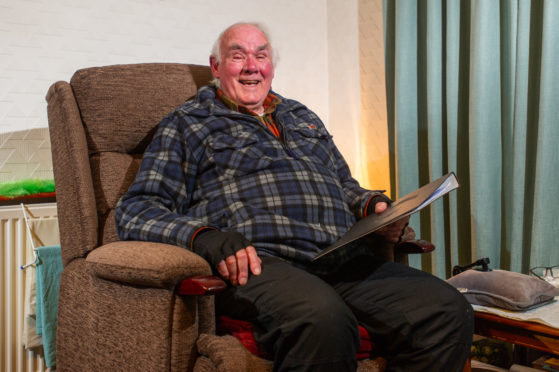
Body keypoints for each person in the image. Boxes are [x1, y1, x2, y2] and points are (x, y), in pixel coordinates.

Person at [115, 22, 473, 372]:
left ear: (271, 66)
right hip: (264, 263)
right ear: (216, 66)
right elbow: (137, 209)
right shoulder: (188, 123)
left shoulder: (303, 116)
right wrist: (204, 237)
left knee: (447, 310)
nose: (252, 66)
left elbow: (345, 185)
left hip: (341, 258)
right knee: (323, 320)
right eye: (238, 56)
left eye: (261, 55)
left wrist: (374, 206)